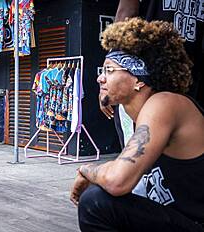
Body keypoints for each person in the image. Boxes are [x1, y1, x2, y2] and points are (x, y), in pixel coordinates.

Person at [70, 18, 204, 231]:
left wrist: (87, 170)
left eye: (109, 71)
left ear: (138, 80)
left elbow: (117, 180)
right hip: (175, 219)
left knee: (95, 202)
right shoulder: (132, 116)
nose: (100, 79)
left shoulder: (164, 103)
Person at [100, 0, 204, 147]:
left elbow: (126, 14)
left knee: (138, 157)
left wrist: (111, 71)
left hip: (144, 78)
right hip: (184, 74)